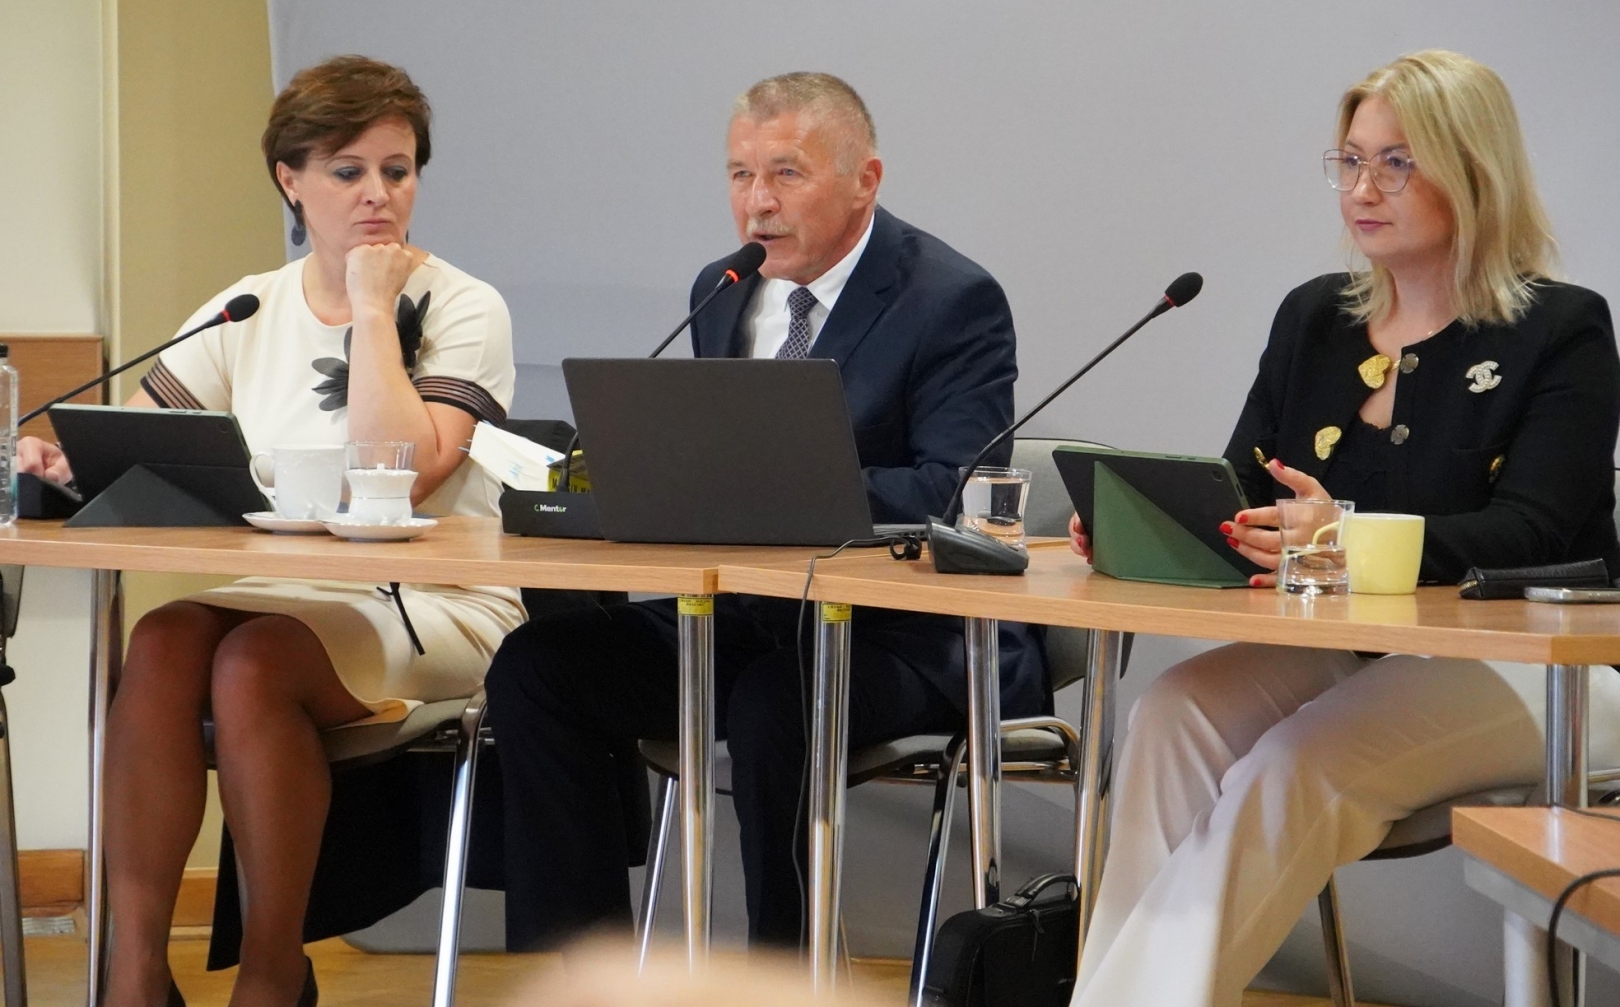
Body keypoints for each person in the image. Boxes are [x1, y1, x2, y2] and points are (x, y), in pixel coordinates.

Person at [1066, 49, 1620, 1006]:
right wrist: (1149, 520)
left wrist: (1345, 537)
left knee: (1294, 762)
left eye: (1397, 163)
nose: (1363, 189)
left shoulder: (1561, 329)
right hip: (1360, 654)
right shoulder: (1315, 318)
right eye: (1352, 161)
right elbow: (1248, 488)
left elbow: (1534, 531)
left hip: (1549, 673)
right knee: (1172, 713)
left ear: (1474, 171)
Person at [486, 72, 1048, 949]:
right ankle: (582, 966)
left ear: (864, 179)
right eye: (740, 175)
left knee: (772, 705)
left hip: (904, 636)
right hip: (749, 619)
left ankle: (783, 974)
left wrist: (790, 490)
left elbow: (955, 487)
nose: (758, 203)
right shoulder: (724, 288)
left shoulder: (949, 299)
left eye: (787, 173)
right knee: (540, 667)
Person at [19, 56, 521, 1007]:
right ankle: (134, 977)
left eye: (398, 170)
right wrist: (64, 463)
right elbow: (140, 445)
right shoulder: (247, 305)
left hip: (435, 602)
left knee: (253, 662)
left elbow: (405, 469)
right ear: (291, 181)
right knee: (163, 639)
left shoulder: (464, 305)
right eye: (347, 171)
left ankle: (271, 973)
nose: (378, 194)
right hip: (284, 597)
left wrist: (372, 310)